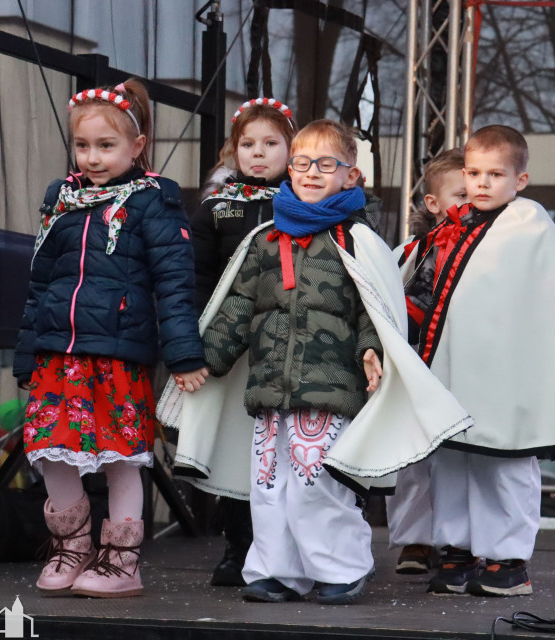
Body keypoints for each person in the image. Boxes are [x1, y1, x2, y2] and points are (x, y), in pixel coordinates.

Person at [159, 119, 472, 606]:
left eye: (325, 165)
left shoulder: (356, 240)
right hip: (268, 390)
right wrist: (206, 361)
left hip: (327, 389)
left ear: (350, 176)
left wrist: (374, 350)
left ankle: (339, 569)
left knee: (316, 486)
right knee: (268, 486)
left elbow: (376, 309)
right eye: (302, 163)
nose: (310, 173)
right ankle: (277, 570)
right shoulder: (265, 240)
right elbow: (239, 307)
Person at [398, 125, 555, 597]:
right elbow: (430, 291)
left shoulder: (529, 226)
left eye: (495, 174)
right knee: (453, 462)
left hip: (508, 379)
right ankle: (455, 548)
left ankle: (508, 558)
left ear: (520, 179)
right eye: (474, 172)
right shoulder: (455, 227)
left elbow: (550, 301)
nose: (481, 183)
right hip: (455, 374)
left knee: (507, 465)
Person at [13, 79, 207, 598]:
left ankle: (121, 560)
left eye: (106, 145)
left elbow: (174, 282)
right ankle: (71, 546)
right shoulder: (63, 199)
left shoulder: (153, 201)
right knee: (50, 448)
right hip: (58, 352)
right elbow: (40, 282)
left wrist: (184, 353)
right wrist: (27, 350)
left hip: (117, 353)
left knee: (121, 455)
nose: (92, 157)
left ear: (137, 147)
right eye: (83, 145)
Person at [189, 98, 297, 588]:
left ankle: (294, 546)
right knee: (238, 447)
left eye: (271, 143)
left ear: (291, 148)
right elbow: (198, 275)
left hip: (292, 347)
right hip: (235, 350)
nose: (259, 154)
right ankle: (238, 546)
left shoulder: (303, 203)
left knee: (290, 449)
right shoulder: (216, 208)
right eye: (248, 144)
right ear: (233, 151)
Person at [387, 149, 467, 575]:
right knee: (412, 458)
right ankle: (415, 540)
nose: (471, 200)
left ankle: (460, 541)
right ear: (433, 204)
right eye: (460, 193)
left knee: (457, 458)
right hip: (417, 364)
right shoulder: (410, 252)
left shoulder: (490, 247)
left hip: (463, 365)